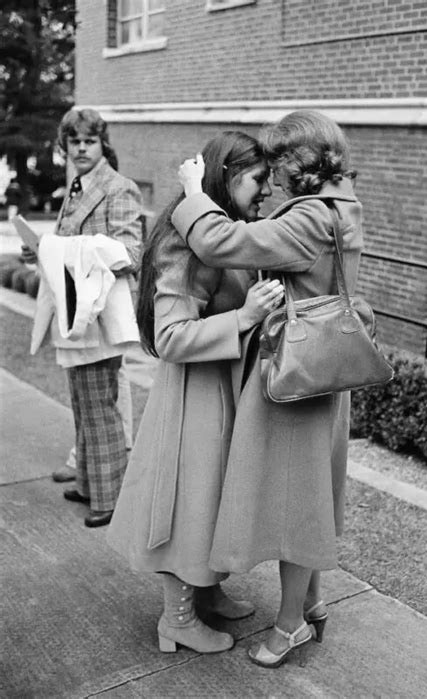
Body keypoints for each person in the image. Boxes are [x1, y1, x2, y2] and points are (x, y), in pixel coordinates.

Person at [172, 110, 362, 668]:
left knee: (295, 503)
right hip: (325, 371)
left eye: (278, 165)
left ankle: (291, 625)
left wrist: (190, 191)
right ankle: (313, 601)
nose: (273, 179)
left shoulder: (310, 219)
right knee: (310, 494)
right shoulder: (344, 205)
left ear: (301, 163)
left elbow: (221, 242)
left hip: (296, 377)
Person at [107, 131, 283, 655]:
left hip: (223, 386)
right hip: (196, 396)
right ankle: (177, 618)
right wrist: (246, 315)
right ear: (227, 176)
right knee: (192, 501)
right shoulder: (182, 241)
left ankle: (206, 592)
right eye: (259, 179)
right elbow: (170, 337)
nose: (268, 190)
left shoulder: (223, 229)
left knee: (215, 496)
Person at [23, 108, 143, 528]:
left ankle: (111, 498)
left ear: (102, 143)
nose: (81, 148)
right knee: (83, 403)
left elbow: (130, 252)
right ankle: (91, 484)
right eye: (74, 142)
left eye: (89, 141)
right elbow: (70, 245)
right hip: (76, 313)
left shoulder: (119, 187)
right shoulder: (76, 187)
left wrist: (69, 251)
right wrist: (42, 250)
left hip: (101, 314)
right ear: (65, 147)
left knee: (100, 406)